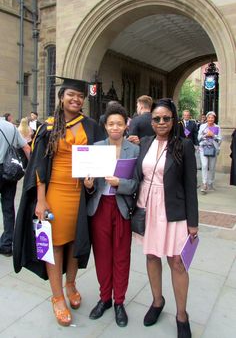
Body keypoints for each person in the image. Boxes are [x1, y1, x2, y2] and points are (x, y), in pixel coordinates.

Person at [13, 77, 103, 327]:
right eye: (71, 95)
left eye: (80, 96)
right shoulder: (49, 127)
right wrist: (40, 201)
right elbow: (39, 166)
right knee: (55, 244)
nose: (76, 99)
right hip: (55, 193)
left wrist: (92, 180)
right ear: (61, 97)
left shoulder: (91, 125)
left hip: (81, 194)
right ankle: (57, 296)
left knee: (77, 241)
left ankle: (71, 283)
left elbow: (102, 155)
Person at [135, 98, 198, 338]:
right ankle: (157, 301)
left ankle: (182, 315)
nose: (161, 122)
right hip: (147, 207)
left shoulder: (184, 145)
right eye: (156, 119)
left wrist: (193, 222)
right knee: (151, 256)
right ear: (150, 121)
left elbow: (190, 186)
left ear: (173, 120)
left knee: (177, 262)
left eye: (166, 118)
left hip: (174, 211)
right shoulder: (144, 143)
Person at [84, 103, 139, 327]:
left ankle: (119, 302)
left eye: (119, 123)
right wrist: (88, 184)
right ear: (105, 126)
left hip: (122, 207)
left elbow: (136, 183)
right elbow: (89, 183)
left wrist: (120, 184)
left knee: (122, 256)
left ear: (126, 125)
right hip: (100, 208)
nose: (115, 127)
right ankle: (105, 298)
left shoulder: (134, 149)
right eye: (111, 124)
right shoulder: (96, 147)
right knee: (103, 255)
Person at [0, 119, 30, 256]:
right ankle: (7, 244)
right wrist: (31, 168)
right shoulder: (11, 127)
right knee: (8, 207)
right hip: (9, 170)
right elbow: (26, 147)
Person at [198, 111, 222, 193]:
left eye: (212, 118)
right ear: (207, 118)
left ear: (214, 119)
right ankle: (204, 183)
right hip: (203, 148)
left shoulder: (217, 127)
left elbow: (220, 139)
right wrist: (205, 135)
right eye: (209, 117)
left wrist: (213, 135)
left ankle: (210, 183)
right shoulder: (202, 126)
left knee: (211, 167)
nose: (210, 119)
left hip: (213, 149)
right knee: (204, 165)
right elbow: (198, 138)